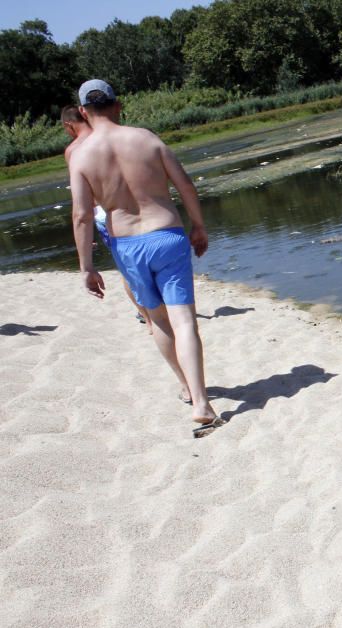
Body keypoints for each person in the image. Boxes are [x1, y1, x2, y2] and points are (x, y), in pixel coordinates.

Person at [68, 79, 223, 438]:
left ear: (82, 112)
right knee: (184, 320)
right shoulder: (146, 138)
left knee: (158, 321)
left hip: (128, 246)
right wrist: (198, 226)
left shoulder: (81, 156)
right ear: (117, 105)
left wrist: (86, 267)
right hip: (167, 234)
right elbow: (185, 185)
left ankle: (185, 387)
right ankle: (201, 402)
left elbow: (81, 215)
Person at [61, 105, 151, 333]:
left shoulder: (74, 150)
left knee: (127, 270)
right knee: (145, 262)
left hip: (103, 216)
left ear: (68, 126)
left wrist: (85, 233)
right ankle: (154, 310)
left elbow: (83, 201)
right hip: (133, 209)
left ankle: (146, 315)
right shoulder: (111, 137)